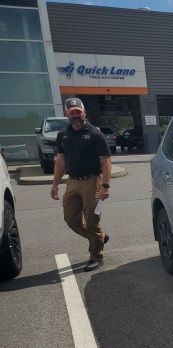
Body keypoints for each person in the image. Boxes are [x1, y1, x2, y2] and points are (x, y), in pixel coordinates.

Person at [50, 98, 112, 271]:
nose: (76, 115)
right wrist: (55, 184)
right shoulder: (62, 134)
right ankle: (99, 238)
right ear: (67, 114)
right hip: (72, 182)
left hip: (93, 181)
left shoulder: (95, 134)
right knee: (71, 220)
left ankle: (96, 256)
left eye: (78, 111)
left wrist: (105, 186)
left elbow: (106, 161)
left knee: (92, 219)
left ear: (84, 112)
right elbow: (60, 161)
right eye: (72, 112)